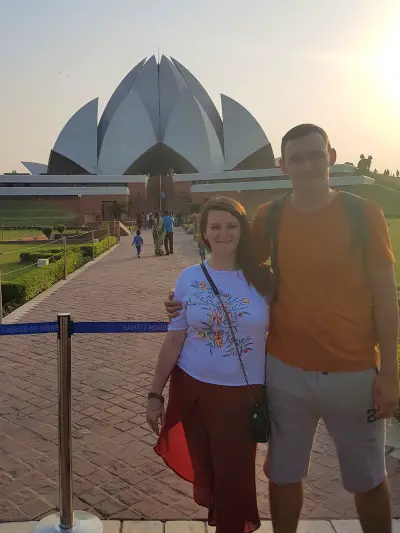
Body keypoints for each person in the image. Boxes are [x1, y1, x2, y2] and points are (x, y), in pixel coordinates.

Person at [165, 124, 399, 533]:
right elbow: (236, 265)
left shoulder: (363, 214)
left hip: (356, 370)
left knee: (368, 477)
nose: (307, 166)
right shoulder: (269, 216)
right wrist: (188, 295)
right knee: (284, 473)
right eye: (297, 158)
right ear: (282, 165)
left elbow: (384, 297)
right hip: (286, 371)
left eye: (315, 155)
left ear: (331, 155)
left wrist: (391, 375)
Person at [147, 197, 271, 533]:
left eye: (231, 225)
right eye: (215, 226)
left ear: (242, 230)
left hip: (241, 398)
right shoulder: (189, 278)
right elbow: (174, 339)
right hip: (193, 393)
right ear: (204, 233)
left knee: (234, 477)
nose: (223, 233)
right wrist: (154, 394)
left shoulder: (264, 280)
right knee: (211, 473)